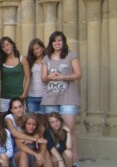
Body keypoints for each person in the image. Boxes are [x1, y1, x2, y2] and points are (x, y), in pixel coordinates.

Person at [41, 31, 81, 166]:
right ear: (51, 43)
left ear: (63, 42)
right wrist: (50, 77)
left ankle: (74, 161)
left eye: (59, 40)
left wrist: (63, 77)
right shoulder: (47, 58)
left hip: (67, 97)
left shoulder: (71, 55)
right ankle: (57, 159)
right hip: (51, 98)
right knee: (52, 129)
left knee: (70, 129)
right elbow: (43, 78)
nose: (57, 43)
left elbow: (78, 74)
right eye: (54, 41)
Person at [0, 37, 30, 112]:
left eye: (7, 44)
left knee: (20, 119)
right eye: (3, 46)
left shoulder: (22, 59)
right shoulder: (1, 62)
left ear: (12, 44)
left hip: (18, 96)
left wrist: (24, 94)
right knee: (4, 120)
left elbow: (28, 77)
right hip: (4, 97)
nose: (6, 47)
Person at [26, 38, 47, 115]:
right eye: (33, 50)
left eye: (37, 48)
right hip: (32, 96)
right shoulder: (29, 61)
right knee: (31, 121)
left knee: (43, 123)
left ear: (42, 48)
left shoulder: (48, 60)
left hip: (45, 95)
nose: (36, 51)